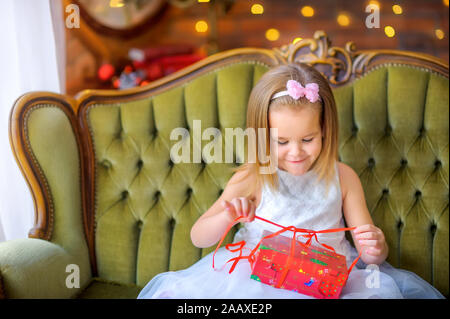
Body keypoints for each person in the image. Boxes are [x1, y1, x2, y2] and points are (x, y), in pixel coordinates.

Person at [137, 63, 445, 299]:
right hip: (257, 278)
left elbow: (369, 252)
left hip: (328, 279)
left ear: (326, 130)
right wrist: (228, 214)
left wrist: (376, 247)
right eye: (280, 141)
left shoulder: (344, 177)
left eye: (308, 139)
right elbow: (199, 237)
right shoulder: (253, 176)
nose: (296, 152)